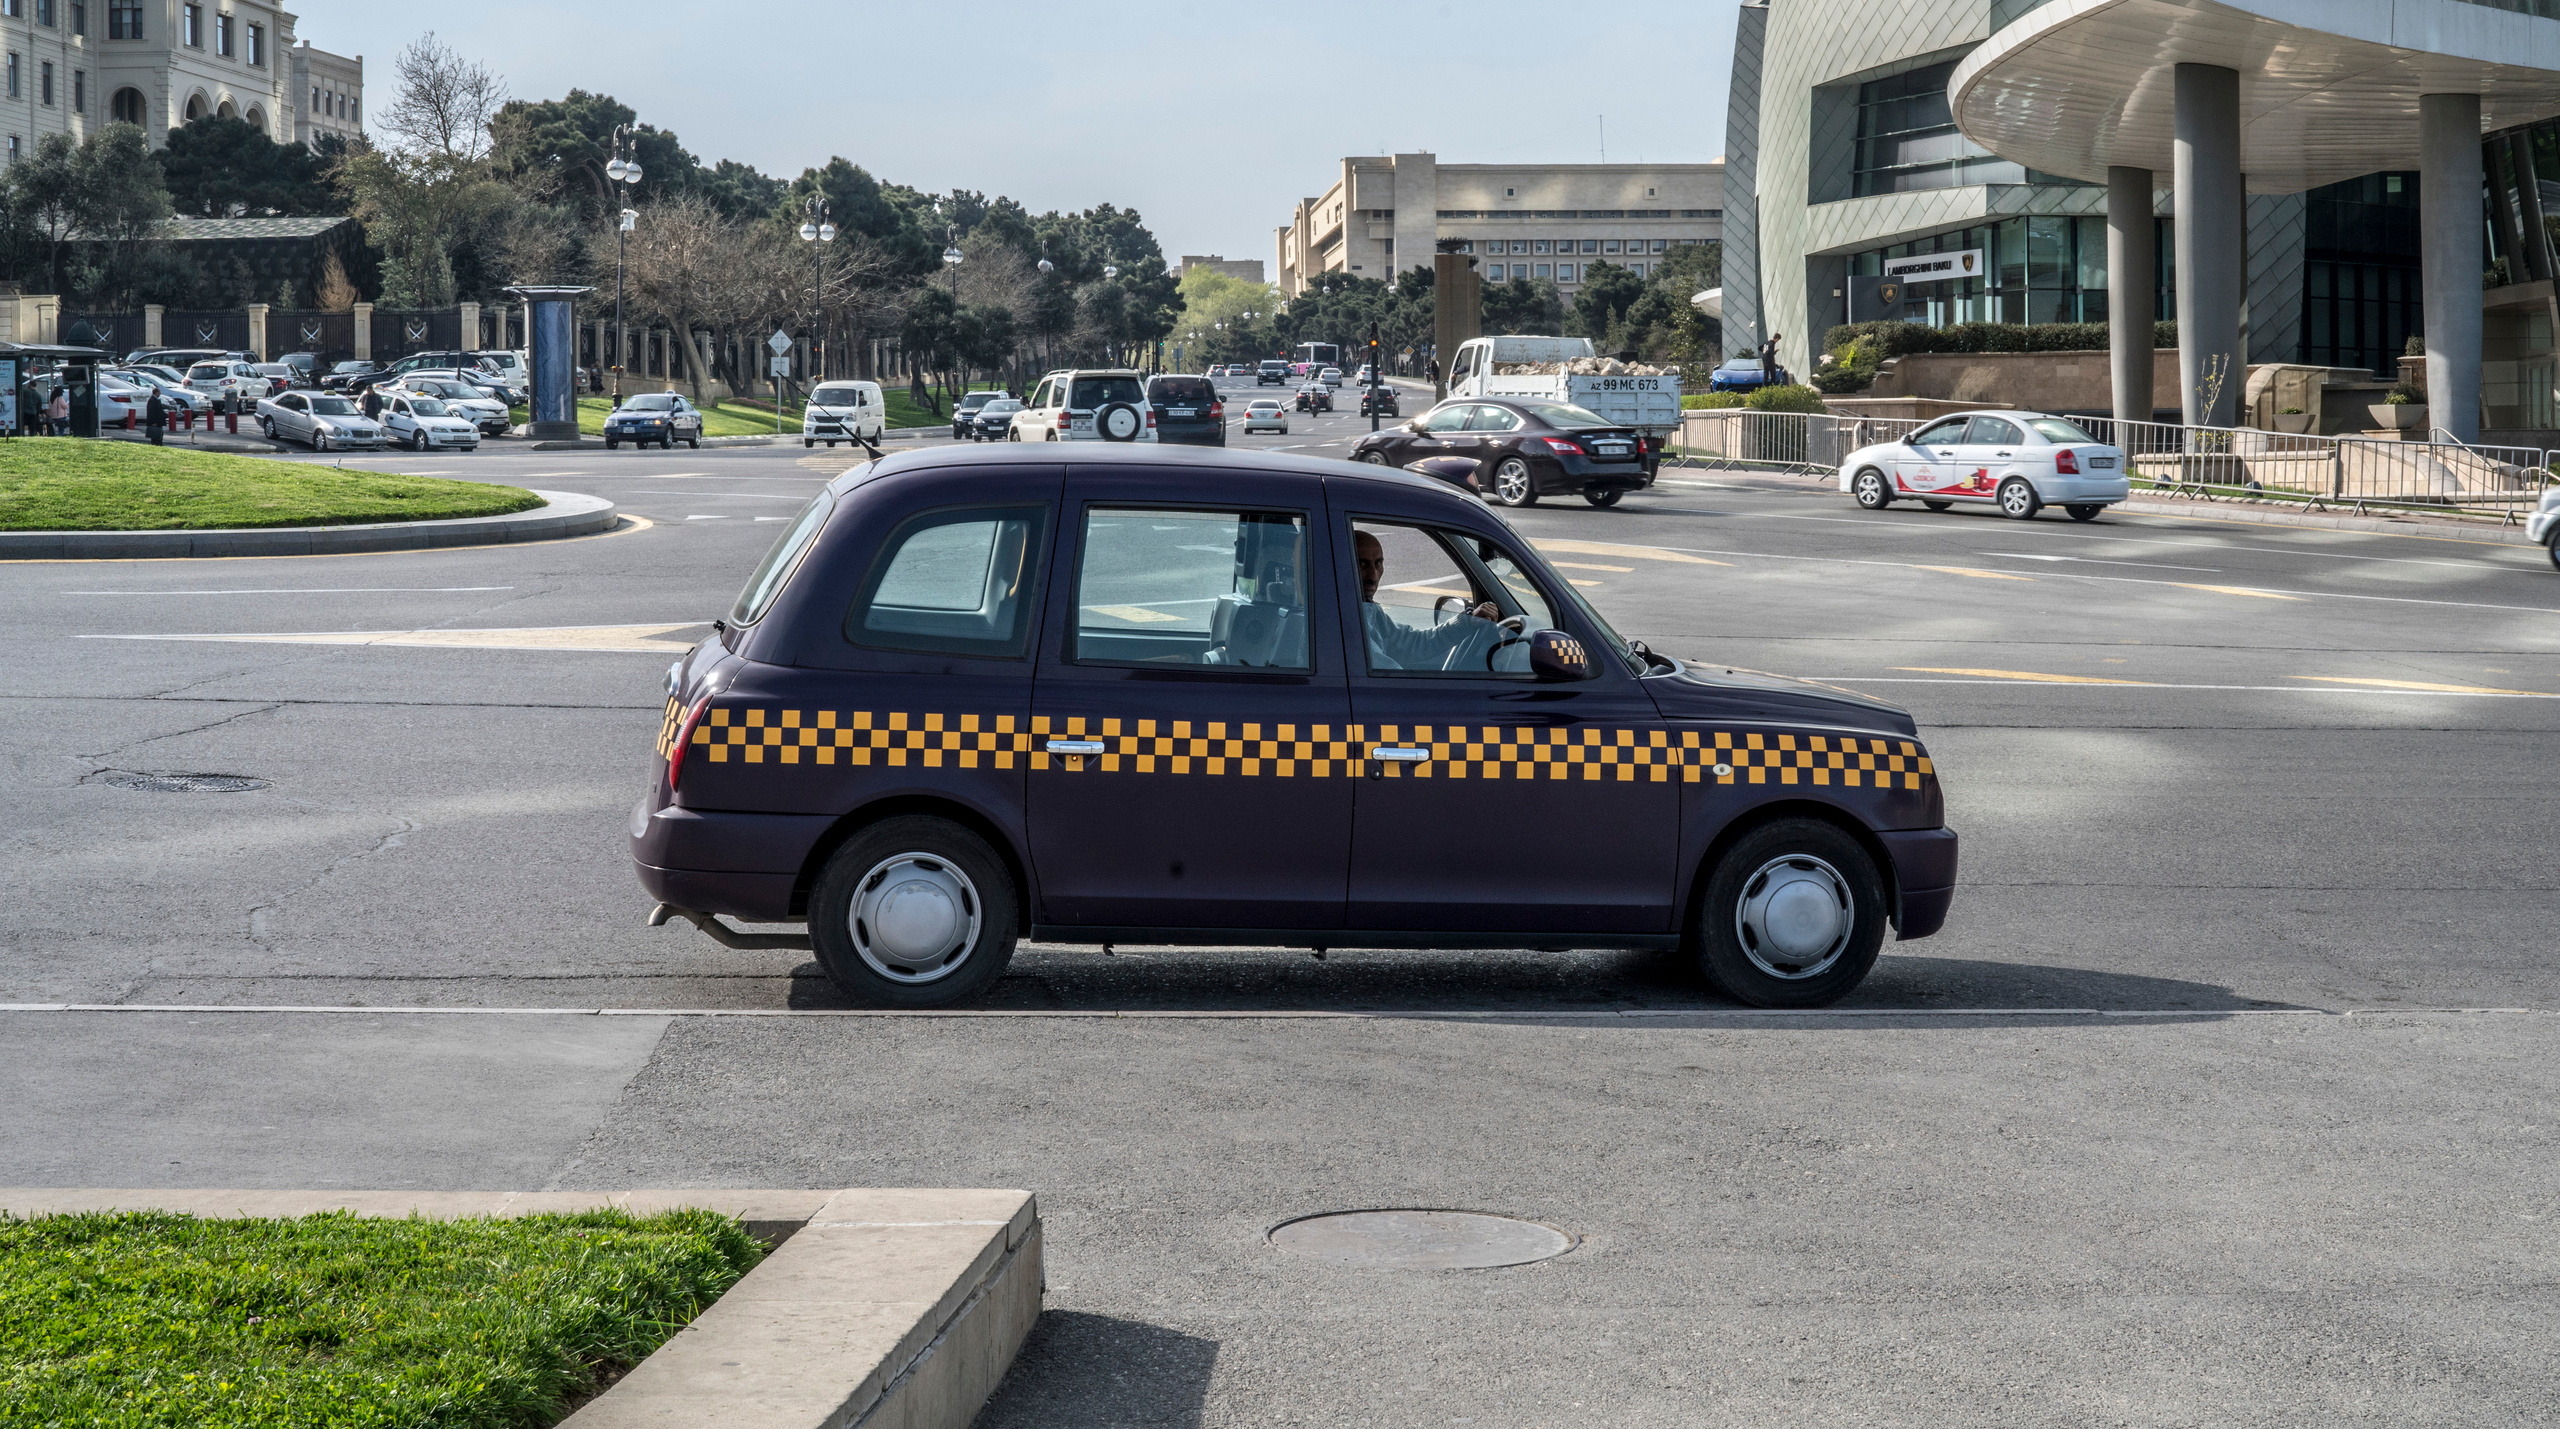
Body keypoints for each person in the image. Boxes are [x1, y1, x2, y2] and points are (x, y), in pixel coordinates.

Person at [1354, 530, 1506, 671]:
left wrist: (1468, 622)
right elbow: (1388, 679)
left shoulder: (1367, 609)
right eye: (1362, 564)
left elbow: (1415, 645)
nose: (1373, 576)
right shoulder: (1349, 622)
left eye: (1378, 563)